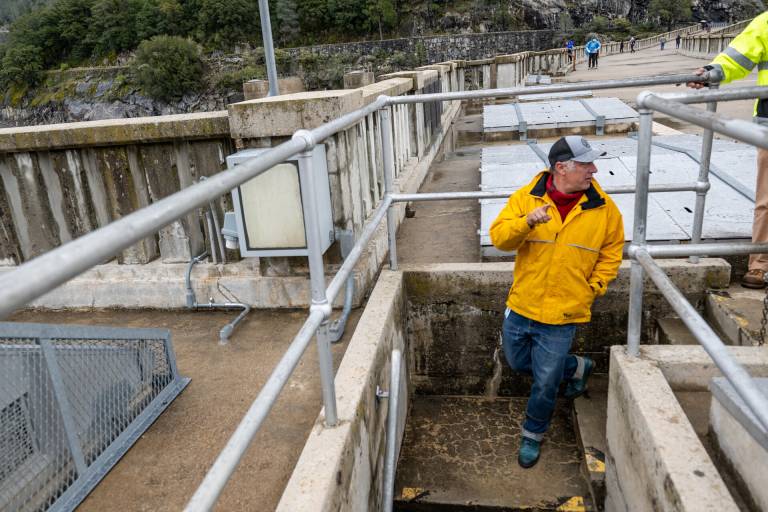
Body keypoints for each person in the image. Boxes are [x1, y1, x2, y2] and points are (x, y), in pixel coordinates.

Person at [490, 136, 624, 468]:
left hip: (564, 312)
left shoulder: (604, 209)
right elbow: (499, 239)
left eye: (592, 163)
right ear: (561, 168)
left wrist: (592, 288)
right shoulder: (526, 198)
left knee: (546, 381)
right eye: (585, 164)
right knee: (519, 363)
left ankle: (532, 434)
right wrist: (527, 222)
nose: (594, 169)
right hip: (523, 304)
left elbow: (611, 255)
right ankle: (578, 366)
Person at [687, 12, 768, 288]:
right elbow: (737, 57)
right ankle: (760, 265)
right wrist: (712, 72)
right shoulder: (766, 22)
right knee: (767, 201)